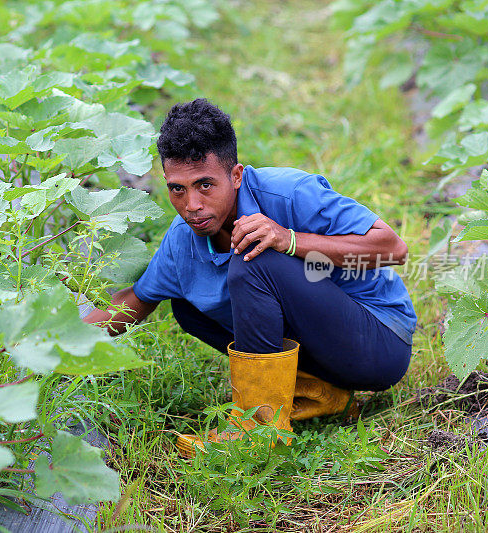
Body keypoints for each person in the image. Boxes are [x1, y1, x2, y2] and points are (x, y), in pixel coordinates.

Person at [84, 98, 417, 457]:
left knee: (254, 258)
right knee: (187, 305)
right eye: (177, 189)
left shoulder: (289, 192)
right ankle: (319, 392)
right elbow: (133, 303)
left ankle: (258, 430)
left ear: (236, 175)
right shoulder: (182, 240)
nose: (191, 204)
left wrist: (288, 239)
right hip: (327, 355)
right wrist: (41, 345)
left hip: (379, 341)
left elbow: (393, 248)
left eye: (205, 185)